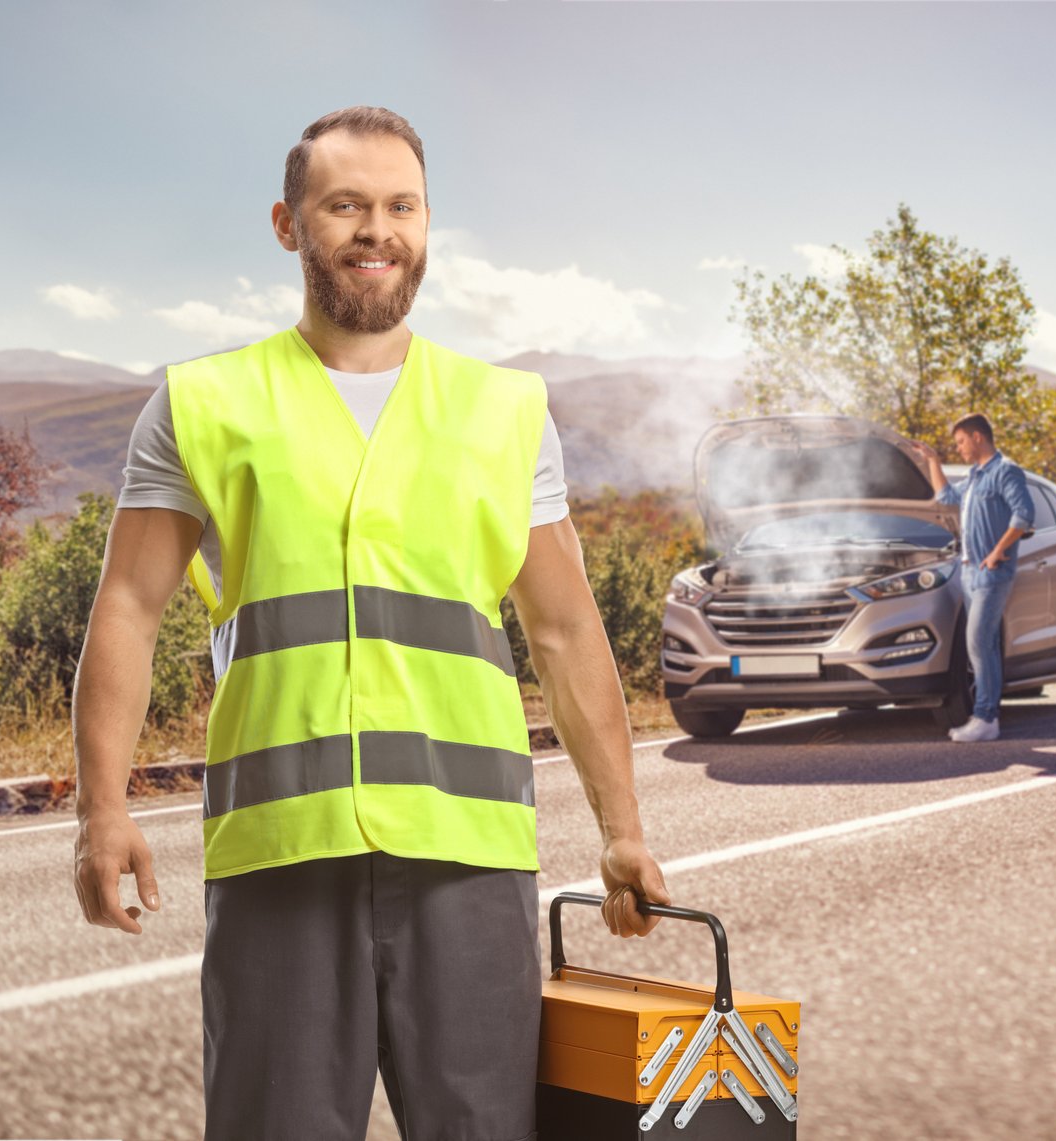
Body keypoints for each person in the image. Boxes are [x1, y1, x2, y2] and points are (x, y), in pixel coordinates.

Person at [69, 106, 670, 1141]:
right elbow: (127, 605)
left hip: (468, 852)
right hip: (280, 851)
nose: (375, 229)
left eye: (401, 206)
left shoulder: (505, 410)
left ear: (428, 224)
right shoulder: (204, 401)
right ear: (288, 223)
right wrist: (100, 809)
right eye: (345, 204)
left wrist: (622, 831)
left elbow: (567, 633)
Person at [911, 413, 1035, 743]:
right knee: (984, 644)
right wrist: (933, 461)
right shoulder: (976, 477)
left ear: (978, 437)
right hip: (969, 573)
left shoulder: (1004, 471)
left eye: (961, 442)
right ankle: (987, 717)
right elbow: (946, 498)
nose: (960, 449)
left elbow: (1024, 515)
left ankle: (985, 717)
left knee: (978, 642)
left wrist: (997, 552)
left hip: (992, 572)